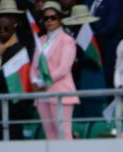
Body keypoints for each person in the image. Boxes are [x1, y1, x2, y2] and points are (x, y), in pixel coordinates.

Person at [30, 2, 79, 140]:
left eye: (53, 17)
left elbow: (63, 69)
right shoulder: (41, 39)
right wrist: (35, 81)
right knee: (50, 135)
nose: (49, 21)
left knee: (63, 134)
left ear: (60, 19)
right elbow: (34, 67)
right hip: (42, 93)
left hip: (61, 92)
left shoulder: (68, 40)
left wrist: (43, 82)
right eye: (46, 18)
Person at [0, 1, 33, 141]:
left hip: (13, 109)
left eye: (5, 27)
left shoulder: (20, 50)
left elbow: (14, 79)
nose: (2, 30)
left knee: (14, 144)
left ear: (15, 22)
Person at [63, 5, 105, 122]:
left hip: (92, 88)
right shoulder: (74, 38)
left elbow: (95, 62)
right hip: (77, 89)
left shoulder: (93, 37)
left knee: (94, 123)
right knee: (77, 124)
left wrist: (78, 62)